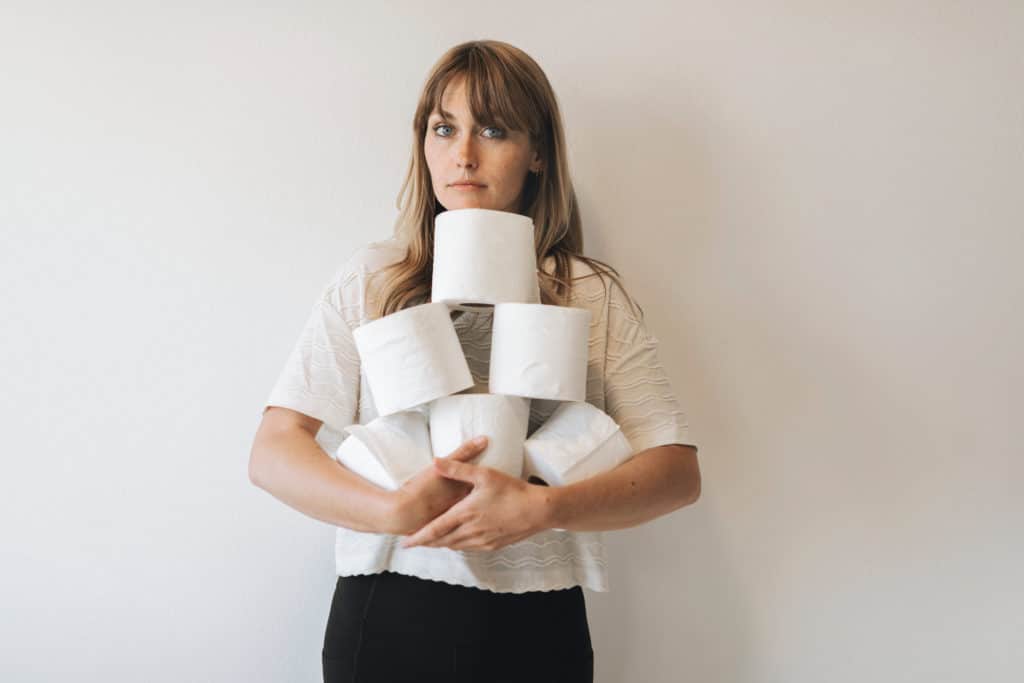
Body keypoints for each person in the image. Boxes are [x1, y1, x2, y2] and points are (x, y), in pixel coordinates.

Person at [249, 39, 701, 683]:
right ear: (423, 143)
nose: (462, 154)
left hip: (537, 620)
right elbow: (272, 451)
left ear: (538, 153)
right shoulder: (373, 280)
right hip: (390, 609)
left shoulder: (586, 292)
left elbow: (677, 473)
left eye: (493, 129)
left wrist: (541, 508)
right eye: (443, 128)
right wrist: (394, 511)